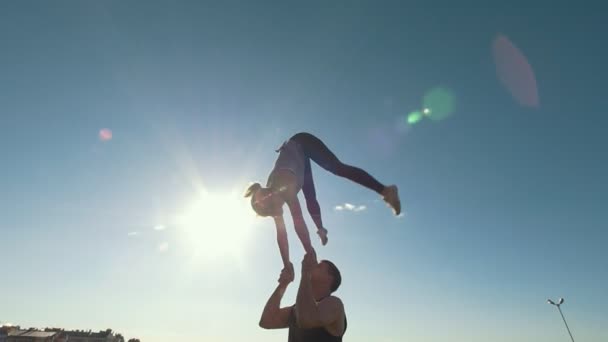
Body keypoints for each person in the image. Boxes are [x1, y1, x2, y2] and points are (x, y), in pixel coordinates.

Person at [244, 132, 401, 280]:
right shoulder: (276, 206)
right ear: (273, 209)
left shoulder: (283, 182)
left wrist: (309, 251)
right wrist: (286, 265)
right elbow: (281, 236)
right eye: (270, 203)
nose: (271, 196)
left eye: (266, 193)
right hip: (298, 162)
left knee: (336, 168)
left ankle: (386, 190)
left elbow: (298, 221)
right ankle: (321, 229)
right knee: (310, 197)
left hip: (301, 143)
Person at [259, 253, 347, 342]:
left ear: (330, 278)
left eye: (319, 266)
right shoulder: (297, 308)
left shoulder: (335, 304)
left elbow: (306, 319)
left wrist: (306, 272)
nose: (314, 265)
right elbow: (266, 321)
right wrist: (284, 283)